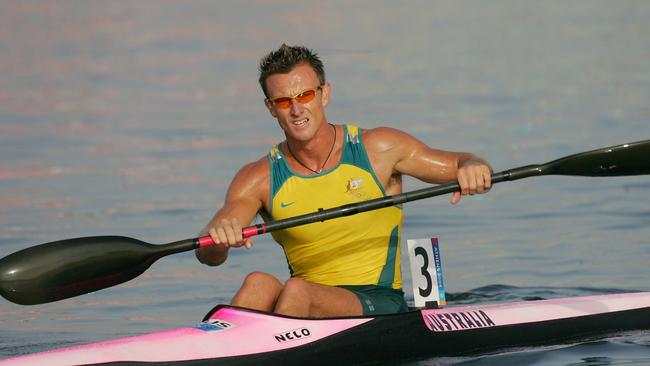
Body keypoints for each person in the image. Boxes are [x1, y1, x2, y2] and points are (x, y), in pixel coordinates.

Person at [195, 44, 492, 318]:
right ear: (271, 107)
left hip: (380, 302)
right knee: (257, 283)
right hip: (303, 306)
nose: (297, 110)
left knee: (297, 290)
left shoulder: (379, 149)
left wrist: (473, 166)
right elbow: (209, 252)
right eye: (284, 101)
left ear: (325, 94)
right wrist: (219, 238)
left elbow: (458, 163)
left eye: (306, 96)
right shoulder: (258, 177)